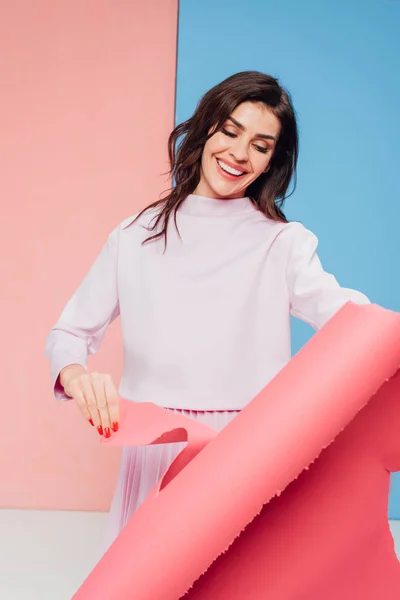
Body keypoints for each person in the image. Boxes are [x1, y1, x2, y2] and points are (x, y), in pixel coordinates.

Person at [44, 70, 370, 553]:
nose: (239, 154)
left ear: (271, 162)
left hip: (250, 449)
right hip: (155, 447)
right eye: (230, 131)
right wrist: (75, 375)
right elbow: (69, 331)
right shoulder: (134, 236)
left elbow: (348, 316)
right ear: (205, 127)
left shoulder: (282, 243)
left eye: (261, 145)